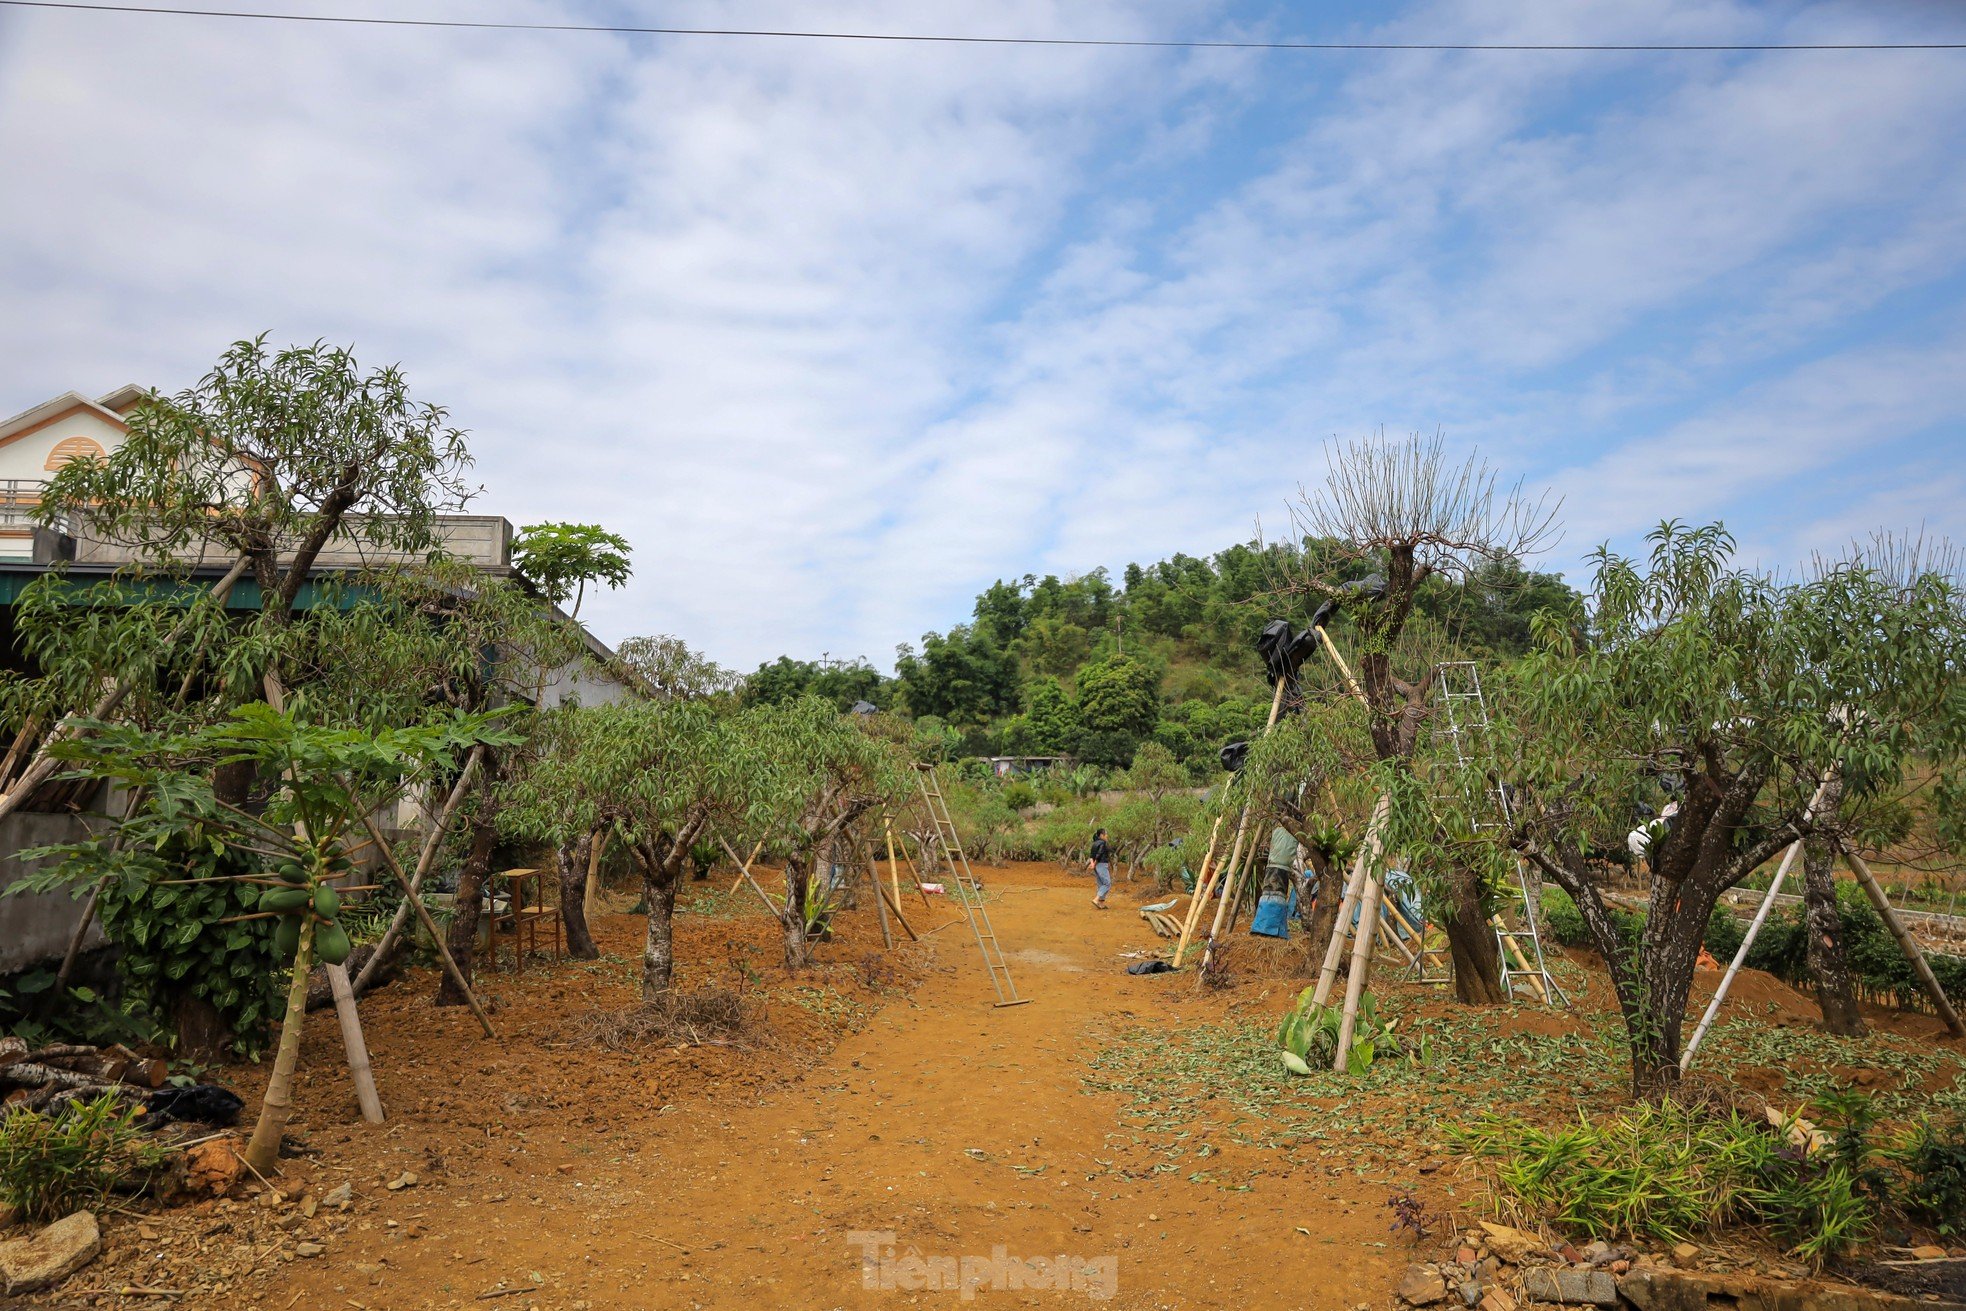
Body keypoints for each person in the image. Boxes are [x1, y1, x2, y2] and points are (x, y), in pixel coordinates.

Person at [1086, 829, 1113, 909]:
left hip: (1096, 866)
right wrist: (1094, 864)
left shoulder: (1094, 844)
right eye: (1106, 834)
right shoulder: (1103, 843)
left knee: (1101, 884)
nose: (1107, 835)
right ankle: (1096, 899)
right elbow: (1099, 854)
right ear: (1101, 835)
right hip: (1101, 864)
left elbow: (1091, 856)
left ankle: (1101, 904)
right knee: (1107, 883)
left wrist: (1092, 864)